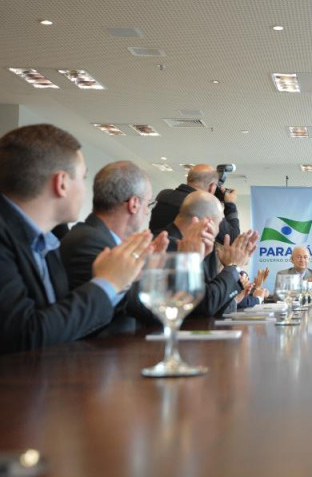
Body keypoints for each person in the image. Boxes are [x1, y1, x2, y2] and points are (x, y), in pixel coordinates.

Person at [0, 124, 156, 354]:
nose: (85, 190)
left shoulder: (49, 242)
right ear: (62, 183)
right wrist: (108, 283)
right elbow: (24, 337)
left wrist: (118, 281)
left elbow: (64, 325)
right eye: (82, 178)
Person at [59, 161, 169, 331]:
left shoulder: (99, 238)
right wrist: (152, 273)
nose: (147, 211)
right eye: (148, 203)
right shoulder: (91, 242)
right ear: (134, 204)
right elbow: (154, 312)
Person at [164, 190, 259, 317]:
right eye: (219, 224)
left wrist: (229, 267)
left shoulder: (201, 247)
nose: (218, 230)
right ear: (208, 223)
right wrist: (233, 267)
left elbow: (213, 306)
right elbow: (206, 305)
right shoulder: (167, 246)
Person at [149, 164, 240, 243]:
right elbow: (232, 238)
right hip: (184, 256)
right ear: (212, 187)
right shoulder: (204, 206)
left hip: (153, 252)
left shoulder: (163, 195)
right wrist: (230, 204)